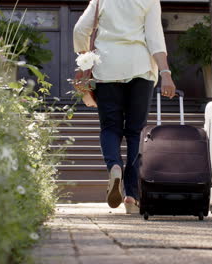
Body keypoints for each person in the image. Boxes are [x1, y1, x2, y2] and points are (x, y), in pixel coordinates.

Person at [73, 0, 176, 213]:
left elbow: (80, 29)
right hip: (140, 68)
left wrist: (84, 56)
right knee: (135, 132)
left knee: (110, 128)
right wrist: (166, 73)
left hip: (107, 68)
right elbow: (155, 39)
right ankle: (131, 195)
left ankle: (114, 167)